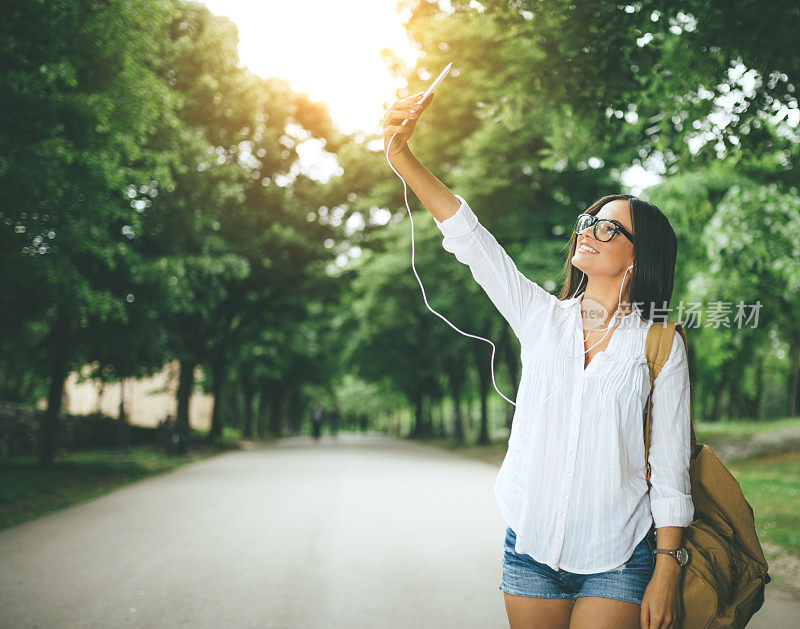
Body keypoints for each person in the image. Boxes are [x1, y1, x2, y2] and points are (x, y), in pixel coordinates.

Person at [383, 95, 692, 629]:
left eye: (608, 228)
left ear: (638, 257)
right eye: (588, 221)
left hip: (619, 554)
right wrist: (400, 154)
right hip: (531, 547)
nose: (588, 231)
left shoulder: (660, 343)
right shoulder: (540, 317)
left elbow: (669, 470)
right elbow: (469, 236)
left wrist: (667, 570)